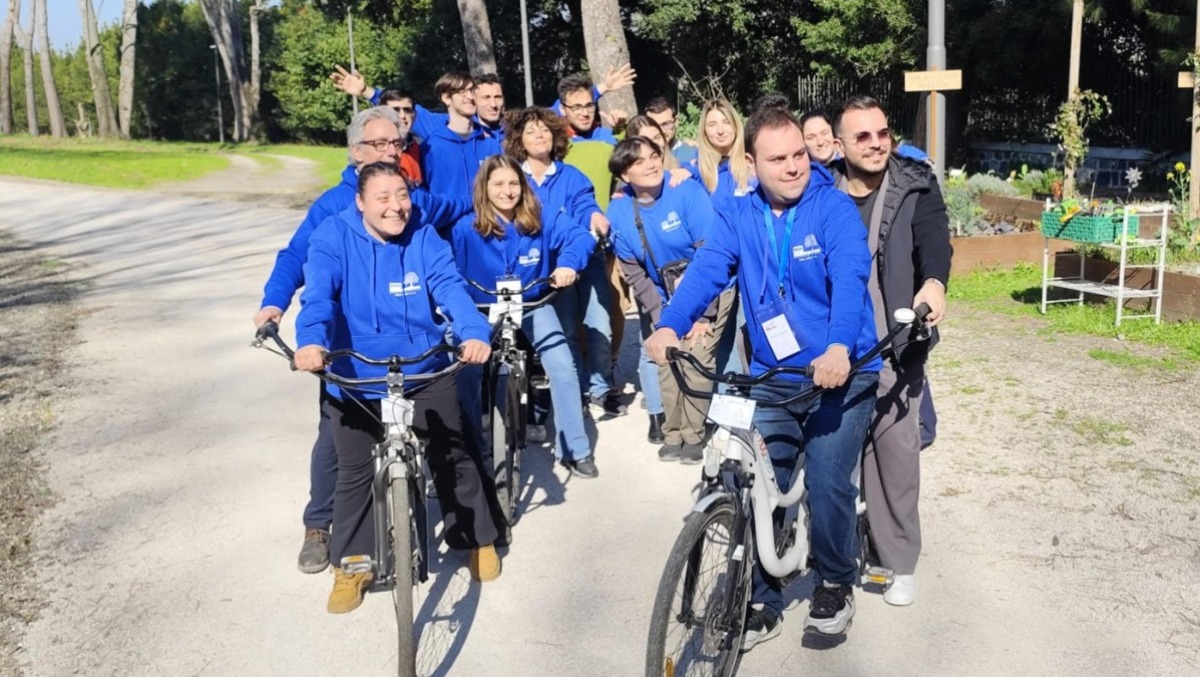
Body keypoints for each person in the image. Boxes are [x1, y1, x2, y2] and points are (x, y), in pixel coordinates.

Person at [645, 106, 881, 648]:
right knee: (755, 480)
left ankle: (834, 584)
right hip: (773, 373)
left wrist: (841, 345)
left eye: (800, 154)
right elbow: (708, 271)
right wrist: (670, 325)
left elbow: (849, 277)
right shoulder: (737, 211)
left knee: (824, 479)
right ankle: (761, 597)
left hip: (841, 373)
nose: (795, 166)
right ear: (751, 162)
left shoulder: (834, 208)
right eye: (779, 159)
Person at [253, 106, 472, 576]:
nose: (393, 150)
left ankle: (468, 529)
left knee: (449, 429)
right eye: (380, 144)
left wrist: (497, 196)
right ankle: (321, 525)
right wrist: (275, 303)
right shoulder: (333, 208)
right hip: (348, 348)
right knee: (338, 443)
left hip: (411, 347)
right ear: (355, 152)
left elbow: (450, 215)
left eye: (397, 142)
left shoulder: (411, 197)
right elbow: (299, 261)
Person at [293, 162, 504, 614]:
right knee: (353, 471)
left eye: (402, 195)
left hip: (422, 365)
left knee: (452, 453)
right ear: (361, 201)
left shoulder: (425, 237)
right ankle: (351, 565)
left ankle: (476, 539)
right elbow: (319, 297)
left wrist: (474, 332)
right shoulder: (333, 236)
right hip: (356, 373)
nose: (396, 206)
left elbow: (450, 289)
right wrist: (311, 342)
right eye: (383, 197)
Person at [829, 95, 952, 608]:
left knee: (894, 457)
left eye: (883, 133)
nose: (877, 143)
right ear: (840, 144)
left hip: (895, 339)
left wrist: (934, 283)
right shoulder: (819, 187)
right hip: (831, 342)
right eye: (863, 136)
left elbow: (935, 241)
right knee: (831, 454)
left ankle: (896, 559)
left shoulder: (915, 181)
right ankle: (831, 552)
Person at [448, 155, 602, 478]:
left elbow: (581, 237)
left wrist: (567, 264)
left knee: (561, 364)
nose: (508, 191)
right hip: (481, 309)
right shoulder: (465, 227)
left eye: (514, 183)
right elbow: (446, 269)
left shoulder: (540, 218)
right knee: (464, 372)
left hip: (531, 303)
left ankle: (574, 448)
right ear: (484, 188)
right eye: (499, 184)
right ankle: (460, 458)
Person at [608, 137, 734, 462]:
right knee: (665, 357)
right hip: (664, 293)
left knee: (697, 354)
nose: (651, 164)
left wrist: (702, 316)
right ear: (624, 175)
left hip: (711, 289)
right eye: (639, 162)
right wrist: (659, 315)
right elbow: (634, 272)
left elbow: (711, 255)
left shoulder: (686, 192)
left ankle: (693, 433)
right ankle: (672, 431)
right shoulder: (620, 210)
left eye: (654, 155)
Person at [501, 107, 628, 418]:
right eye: (531, 131)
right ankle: (576, 389)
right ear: (520, 140)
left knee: (599, 324)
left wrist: (595, 215)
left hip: (588, 259)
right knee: (567, 329)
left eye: (544, 130)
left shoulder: (571, 175)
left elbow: (585, 204)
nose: (539, 136)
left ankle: (599, 387)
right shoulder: (515, 179)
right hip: (550, 267)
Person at [329, 67, 500, 197]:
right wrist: (368, 92)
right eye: (462, 92)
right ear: (446, 98)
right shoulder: (435, 135)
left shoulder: (491, 138)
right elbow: (397, 106)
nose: (469, 97)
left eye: (472, 91)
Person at [694, 99, 756, 205]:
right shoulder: (697, 171)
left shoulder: (753, 164)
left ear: (735, 125)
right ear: (704, 130)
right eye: (712, 124)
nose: (720, 131)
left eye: (726, 122)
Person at [378, 89, 423, 185]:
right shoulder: (375, 149)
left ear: (414, 115)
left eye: (407, 110)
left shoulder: (419, 146)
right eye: (395, 110)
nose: (402, 116)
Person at [644, 96, 699, 166]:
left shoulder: (693, 153)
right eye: (655, 126)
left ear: (676, 122)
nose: (661, 131)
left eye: (666, 124)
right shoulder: (641, 157)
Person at [474, 72, 506, 140]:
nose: (493, 104)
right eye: (486, 97)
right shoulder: (466, 135)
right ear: (474, 101)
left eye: (497, 97)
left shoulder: (513, 132)